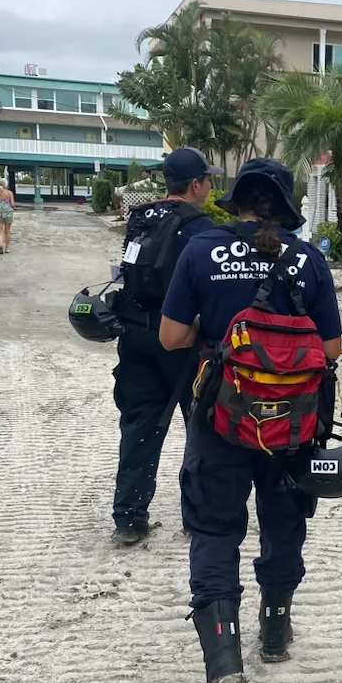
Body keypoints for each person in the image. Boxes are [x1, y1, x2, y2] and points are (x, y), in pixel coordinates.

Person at [160, 158, 342, 683]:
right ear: (285, 207)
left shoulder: (201, 251)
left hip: (221, 419)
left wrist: (214, 333)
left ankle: (223, 663)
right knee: (284, 520)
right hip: (292, 425)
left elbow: (170, 339)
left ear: (235, 201)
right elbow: (331, 352)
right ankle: (275, 630)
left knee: (214, 530)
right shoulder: (309, 260)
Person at [111, 147, 219, 547]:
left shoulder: (141, 217)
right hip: (183, 341)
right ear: (195, 184)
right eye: (208, 179)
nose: (210, 184)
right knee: (202, 429)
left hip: (137, 334)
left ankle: (129, 518)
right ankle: (198, 516)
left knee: (140, 425)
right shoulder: (200, 228)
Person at [0, 182, 16, 255]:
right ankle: (7, 248)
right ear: (6, 185)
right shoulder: (9, 193)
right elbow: (12, 204)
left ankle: (1, 244)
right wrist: (13, 207)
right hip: (7, 213)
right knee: (7, 231)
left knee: (0, 230)